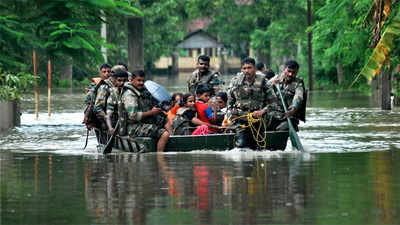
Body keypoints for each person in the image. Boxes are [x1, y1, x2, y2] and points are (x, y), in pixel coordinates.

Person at [119, 70, 172, 152]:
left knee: (164, 117)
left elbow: (151, 104)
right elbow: (133, 116)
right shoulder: (130, 94)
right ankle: (160, 157)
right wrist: (152, 112)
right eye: (139, 80)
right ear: (132, 80)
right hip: (133, 127)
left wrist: (161, 107)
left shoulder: (143, 91)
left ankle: (172, 138)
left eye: (143, 80)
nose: (141, 83)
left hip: (145, 122)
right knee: (164, 134)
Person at [226, 57, 269, 149]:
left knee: (259, 147)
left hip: (258, 119)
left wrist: (262, 111)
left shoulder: (264, 82)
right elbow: (230, 102)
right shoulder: (235, 82)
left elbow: (273, 103)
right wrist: (230, 115)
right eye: (244, 68)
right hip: (240, 119)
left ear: (255, 68)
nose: (247, 71)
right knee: (241, 146)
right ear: (241, 69)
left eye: (249, 68)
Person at [265, 60, 306, 131]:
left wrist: (293, 108)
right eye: (289, 71)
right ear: (284, 70)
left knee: (282, 128)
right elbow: (263, 88)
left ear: (297, 72)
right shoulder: (276, 78)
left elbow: (298, 97)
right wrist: (271, 85)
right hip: (274, 115)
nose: (290, 74)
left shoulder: (298, 83)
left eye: (293, 72)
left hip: (288, 117)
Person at [105, 66, 128, 135]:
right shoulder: (113, 95)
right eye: (119, 80)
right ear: (115, 80)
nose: (122, 83)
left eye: (124, 80)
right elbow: (108, 115)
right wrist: (110, 128)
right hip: (119, 123)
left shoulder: (132, 91)